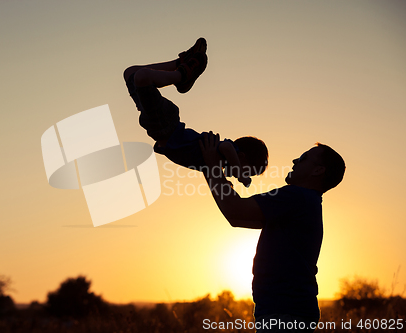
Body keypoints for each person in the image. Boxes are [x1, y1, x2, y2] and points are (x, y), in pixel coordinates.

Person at [200, 133, 345, 332]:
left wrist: (212, 166)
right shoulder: (304, 203)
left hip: (284, 314)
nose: (295, 160)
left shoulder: (295, 196)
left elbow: (234, 209)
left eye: (303, 158)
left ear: (318, 170)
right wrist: (212, 169)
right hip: (284, 312)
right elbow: (236, 218)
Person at [123, 38, 268, 186]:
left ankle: (179, 64)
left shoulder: (215, 161)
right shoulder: (223, 152)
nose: (246, 176)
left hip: (159, 126)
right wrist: (239, 174)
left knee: (130, 73)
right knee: (142, 77)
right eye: (248, 172)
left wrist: (223, 180)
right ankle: (182, 76)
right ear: (242, 157)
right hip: (166, 125)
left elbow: (212, 170)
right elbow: (227, 147)